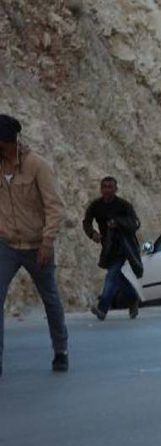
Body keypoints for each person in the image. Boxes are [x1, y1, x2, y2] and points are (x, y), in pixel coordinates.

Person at [0, 114, 68, 376]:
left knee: (50, 298)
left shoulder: (37, 166)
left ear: (6, 142)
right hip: (6, 244)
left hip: (36, 244)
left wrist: (47, 243)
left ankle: (60, 350)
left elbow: (54, 207)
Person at [83, 177, 142, 320]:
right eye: (105, 187)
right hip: (108, 248)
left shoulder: (123, 205)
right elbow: (86, 222)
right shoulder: (96, 206)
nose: (107, 190)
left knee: (111, 275)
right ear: (101, 189)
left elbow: (135, 223)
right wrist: (93, 234)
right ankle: (133, 299)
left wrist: (118, 223)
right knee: (118, 278)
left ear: (116, 189)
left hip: (124, 247)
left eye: (110, 187)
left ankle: (102, 309)